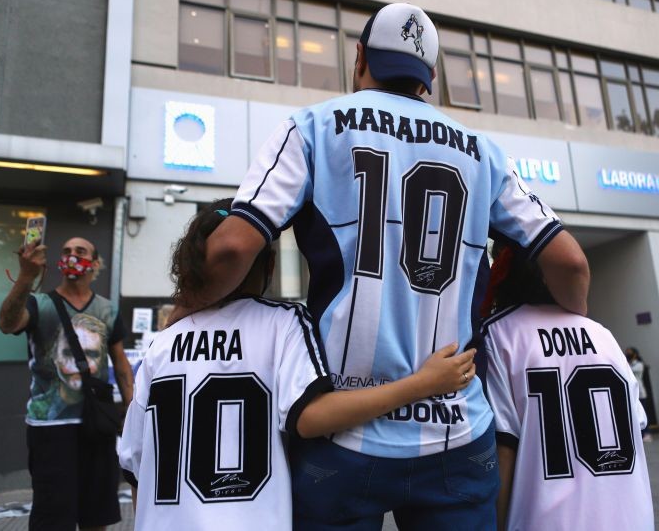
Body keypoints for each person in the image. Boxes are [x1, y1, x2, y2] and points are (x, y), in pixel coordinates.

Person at [170, 2, 589, 529]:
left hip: (342, 429)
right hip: (455, 428)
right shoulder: (486, 152)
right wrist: (580, 326)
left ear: (360, 57)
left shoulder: (312, 127)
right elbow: (570, 261)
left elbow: (231, 248)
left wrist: (186, 307)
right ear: (430, 78)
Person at [118, 199, 477, 530]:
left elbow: (135, 464)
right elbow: (310, 418)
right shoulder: (282, 321)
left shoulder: (161, 344)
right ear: (269, 265)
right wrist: (423, 384)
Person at [480, 241, 653, 531]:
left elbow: (503, 449)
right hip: (632, 519)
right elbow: (636, 430)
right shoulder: (602, 334)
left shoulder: (499, 333)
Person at [0, 236, 133, 530]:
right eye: (66, 251)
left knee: (97, 515)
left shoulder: (108, 310)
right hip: (50, 429)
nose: (72, 255)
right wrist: (25, 277)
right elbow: (7, 323)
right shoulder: (38, 303)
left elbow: (121, 364)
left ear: (95, 264)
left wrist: (134, 415)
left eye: (80, 251)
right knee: (52, 518)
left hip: (97, 425)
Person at [625, 347, 654, 442]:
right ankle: (640, 435)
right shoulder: (627, 364)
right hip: (631, 393)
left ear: (635, 354)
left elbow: (627, 372)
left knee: (642, 413)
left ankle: (647, 433)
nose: (627, 354)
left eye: (629, 353)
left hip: (640, 394)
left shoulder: (639, 365)